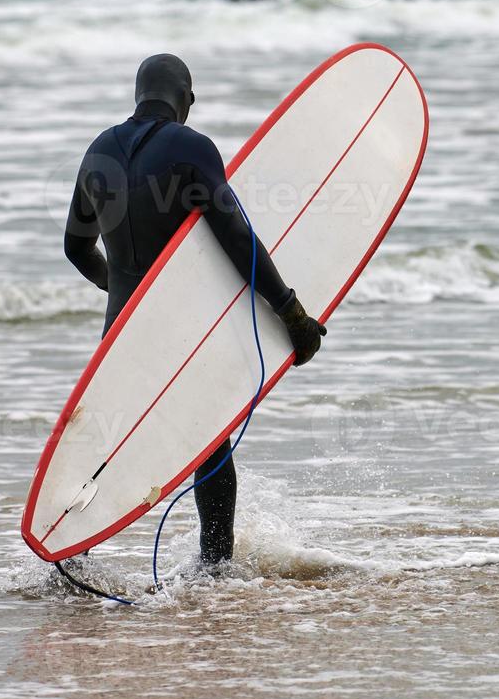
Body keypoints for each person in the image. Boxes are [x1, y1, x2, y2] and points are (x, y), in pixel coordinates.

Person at [62, 52, 326, 567]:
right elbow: (235, 237)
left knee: (107, 449)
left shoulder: (97, 153)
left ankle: (66, 558)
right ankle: (215, 568)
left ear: (138, 93)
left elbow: (75, 248)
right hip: (180, 329)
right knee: (209, 444)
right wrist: (290, 312)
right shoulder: (191, 148)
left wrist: (122, 291)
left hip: (120, 334)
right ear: (187, 99)